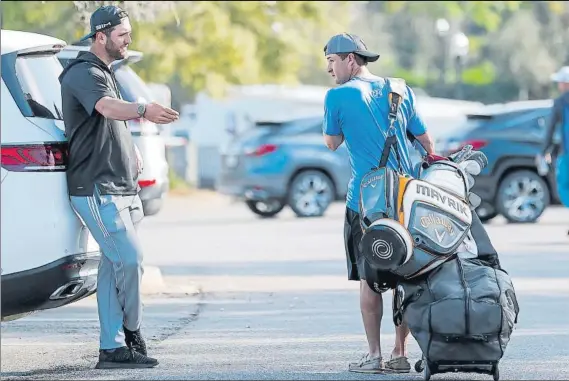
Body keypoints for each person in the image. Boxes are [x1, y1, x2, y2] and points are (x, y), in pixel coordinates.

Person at [59, 5, 179, 369]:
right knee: (130, 259)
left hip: (122, 185)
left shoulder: (107, 71)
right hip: (97, 188)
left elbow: (108, 124)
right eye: (123, 34)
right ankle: (133, 331)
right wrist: (143, 109)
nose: (129, 40)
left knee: (114, 266)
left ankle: (111, 349)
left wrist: (131, 150)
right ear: (101, 36)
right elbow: (108, 109)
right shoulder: (83, 72)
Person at [321, 33, 435, 373]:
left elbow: (331, 142)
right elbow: (427, 142)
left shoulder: (337, 96)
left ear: (350, 60)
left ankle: (374, 356)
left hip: (366, 202)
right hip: (407, 199)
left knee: (371, 279)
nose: (329, 69)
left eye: (331, 62)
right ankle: (400, 353)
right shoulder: (400, 89)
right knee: (408, 274)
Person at [543, 66, 569, 234]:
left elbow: (550, 130)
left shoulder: (560, 102)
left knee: (564, 186)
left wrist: (543, 150)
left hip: (566, 154)